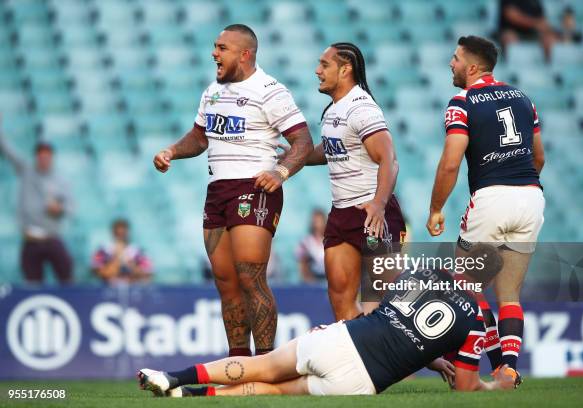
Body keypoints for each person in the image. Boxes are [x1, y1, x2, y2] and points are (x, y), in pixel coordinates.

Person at [138, 244, 516, 397]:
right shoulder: (474, 322)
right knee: (275, 392)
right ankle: (188, 398)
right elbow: (465, 386)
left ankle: (174, 378)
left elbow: (389, 318)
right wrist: (492, 386)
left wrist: (430, 358)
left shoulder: (421, 273)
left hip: (343, 338)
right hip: (361, 379)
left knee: (262, 365)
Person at [152, 24, 313, 357]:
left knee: (251, 278)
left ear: (245, 54)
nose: (214, 53)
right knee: (226, 284)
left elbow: (303, 142)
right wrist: (172, 151)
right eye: (215, 46)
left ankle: (267, 362)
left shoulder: (271, 90)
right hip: (217, 191)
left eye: (221, 48)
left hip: (253, 187)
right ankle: (239, 363)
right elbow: (199, 138)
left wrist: (281, 172)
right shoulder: (212, 90)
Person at [426, 35, 545, 384]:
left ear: (473, 67)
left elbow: (451, 162)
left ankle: (486, 366)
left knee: (467, 286)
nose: (451, 63)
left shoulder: (462, 101)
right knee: (509, 294)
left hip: (491, 197)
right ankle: (507, 366)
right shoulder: (524, 99)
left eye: (456, 58)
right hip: (531, 197)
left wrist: (435, 209)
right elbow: (539, 157)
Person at [301, 42, 407, 320]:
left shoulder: (362, 109)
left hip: (369, 212)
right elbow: (331, 149)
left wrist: (379, 204)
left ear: (345, 69)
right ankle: (361, 360)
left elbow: (390, 161)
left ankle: (418, 357)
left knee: (390, 302)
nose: (317, 70)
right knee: (340, 298)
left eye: (324, 65)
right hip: (340, 214)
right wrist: (294, 158)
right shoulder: (334, 109)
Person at [0, 119, 74, 284]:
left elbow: (71, 208)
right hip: (31, 239)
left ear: (52, 158)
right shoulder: (26, 171)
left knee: (67, 278)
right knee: (32, 283)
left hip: (52, 237)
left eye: (47, 157)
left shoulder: (61, 180)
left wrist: (59, 209)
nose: (44, 160)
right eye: (41, 157)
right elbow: (7, 151)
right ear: (36, 157)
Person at [91, 218, 153, 285]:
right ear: (113, 233)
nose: (121, 236)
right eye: (118, 233)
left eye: (123, 233)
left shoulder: (139, 251)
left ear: (128, 232)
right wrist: (118, 257)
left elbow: (147, 275)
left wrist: (129, 261)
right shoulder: (102, 251)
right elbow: (99, 274)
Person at [295, 209, 326, 283]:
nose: (317, 224)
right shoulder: (306, 242)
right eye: (315, 221)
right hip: (312, 280)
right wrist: (309, 281)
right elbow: (302, 264)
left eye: (319, 221)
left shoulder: (331, 241)